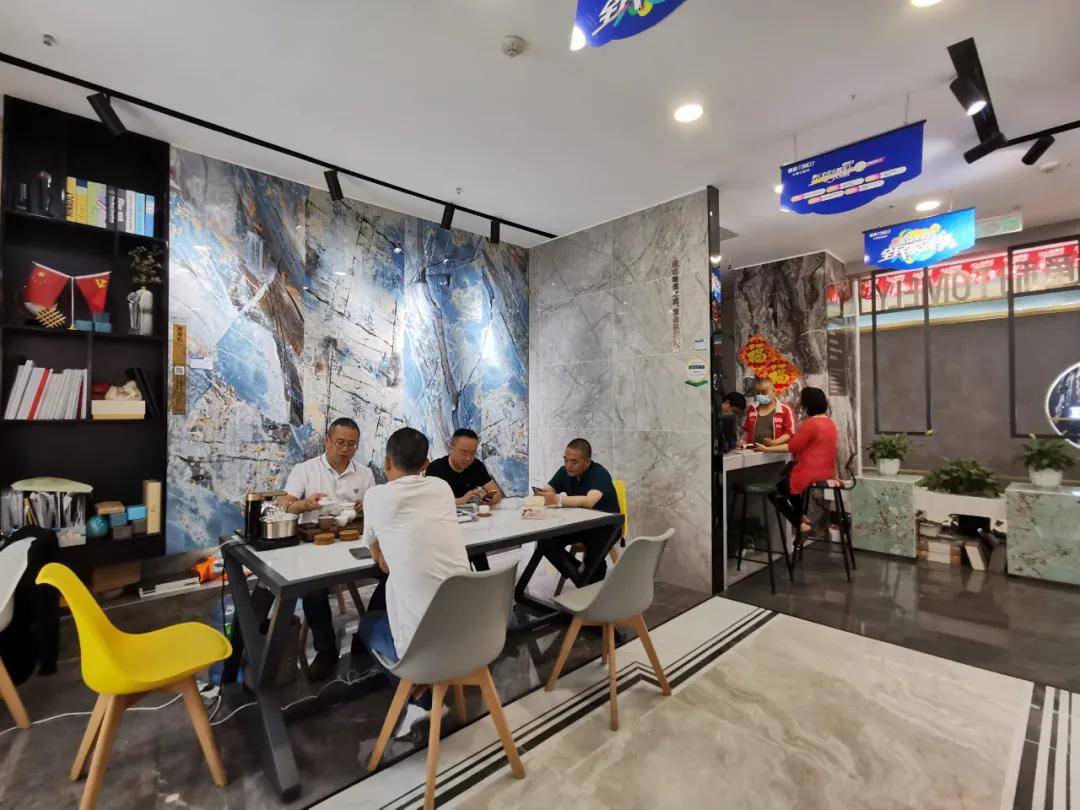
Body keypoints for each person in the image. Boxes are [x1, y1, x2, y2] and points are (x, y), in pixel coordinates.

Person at [357, 427, 470, 736]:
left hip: (425, 651)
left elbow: (379, 557)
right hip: (473, 637)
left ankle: (420, 698)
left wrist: (389, 552)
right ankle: (427, 688)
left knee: (368, 624)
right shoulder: (442, 488)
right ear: (426, 464)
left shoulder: (375, 496)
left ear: (387, 462)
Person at [280, 417, 376, 681]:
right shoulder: (305, 470)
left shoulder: (364, 473)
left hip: (353, 541)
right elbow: (284, 505)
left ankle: (366, 638)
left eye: (352, 444)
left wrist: (366, 505)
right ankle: (326, 650)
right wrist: (306, 505)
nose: (346, 449)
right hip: (316, 544)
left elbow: (375, 507)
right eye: (340, 443)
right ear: (328, 441)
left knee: (389, 573)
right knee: (312, 588)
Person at [755, 386, 837, 536]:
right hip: (826, 472)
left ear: (807, 405)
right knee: (785, 484)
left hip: (811, 472)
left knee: (775, 490)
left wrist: (766, 449)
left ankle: (799, 521)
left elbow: (793, 447)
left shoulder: (812, 423)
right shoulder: (830, 423)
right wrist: (774, 444)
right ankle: (801, 517)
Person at [539, 438, 620, 584]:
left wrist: (557, 500)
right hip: (580, 525)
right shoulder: (564, 472)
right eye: (566, 460)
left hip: (606, 526)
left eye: (574, 462)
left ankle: (588, 577)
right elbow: (546, 491)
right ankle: (578, 572)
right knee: (545, 540)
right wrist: (541, 496)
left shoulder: (599, 473)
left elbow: (589, 501)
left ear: (587, 462)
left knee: (593, 562)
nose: (568, 465)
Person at [425, 428, 504, 506]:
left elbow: (496, 492)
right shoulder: (435, 468)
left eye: (473, 453)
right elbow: (430, 501)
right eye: (464, 453)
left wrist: (487, 500)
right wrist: (461, 500)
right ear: (451, 448)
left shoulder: (476, 465)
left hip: (470, 512)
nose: (468, 458)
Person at [742, 377, 795, 448]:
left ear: (774, 391)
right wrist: (742, 441)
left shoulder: (784, 410)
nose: (760, 395)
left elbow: (789, 433)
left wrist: (774, 442)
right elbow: (746, 430)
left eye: (764, 393)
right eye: (758, 393)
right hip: (753, 451)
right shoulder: (752, 408)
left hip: (775, 452)